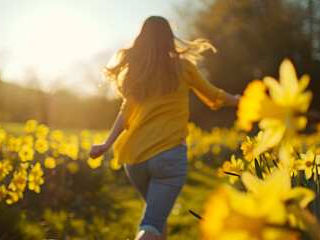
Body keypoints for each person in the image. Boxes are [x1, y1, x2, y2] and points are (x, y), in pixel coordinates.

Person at [89, 16, 240, 240]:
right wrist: (238, 100)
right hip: (169, 157)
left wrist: (106, 144)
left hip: (136, 160)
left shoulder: (137, 73)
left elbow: (125, 112)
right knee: (152, 222)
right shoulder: (183, 68)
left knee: (157, 218)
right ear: (169, 38)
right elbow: (214, 96)